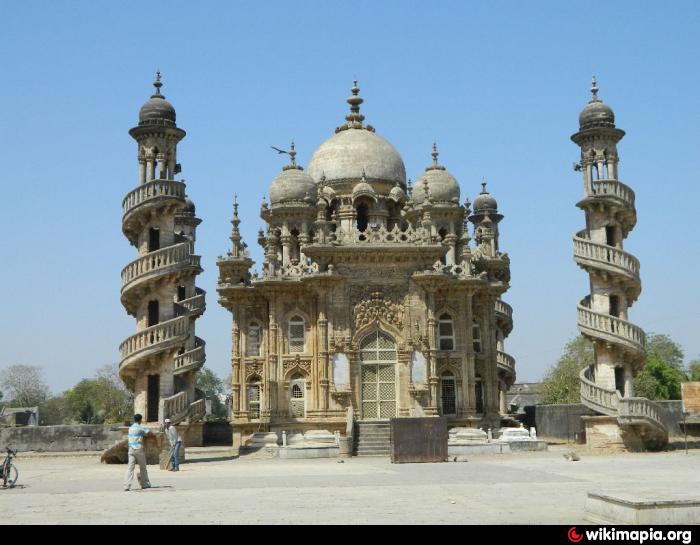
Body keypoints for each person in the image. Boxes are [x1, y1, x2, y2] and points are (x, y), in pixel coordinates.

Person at [123, 414, 152, 491]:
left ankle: (127, 486)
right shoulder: (140, 428)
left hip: (131, 449)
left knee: (130, 468)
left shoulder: (130, 428)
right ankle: (144, 484)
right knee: (142, 468)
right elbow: (149, 433)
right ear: (140, 420)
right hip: (138, 449)